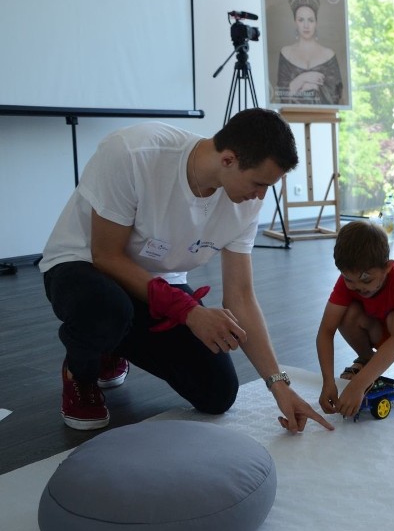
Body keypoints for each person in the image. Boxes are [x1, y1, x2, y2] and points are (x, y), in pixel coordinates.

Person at [40, 108, 334, 433]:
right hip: (82, 267)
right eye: (258, 183)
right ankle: (81, 373)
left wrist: (279, 385)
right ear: (228, 159)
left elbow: (241, 296)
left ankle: (112, 343)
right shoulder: (133, 153)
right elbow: (106, 256)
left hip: (157, 285)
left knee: (217, 394)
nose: (261, 196)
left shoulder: (246, 202)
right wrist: (189, 310)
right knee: (107, 311)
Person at [316, 220, 394, 417]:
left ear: (387, 267)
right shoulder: (348, 281)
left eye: (366, 279)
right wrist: (328, 382)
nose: (358, 286)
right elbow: (326, 331)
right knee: (347, 314)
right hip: (384, 327)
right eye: (349, 279)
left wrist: (359, 385)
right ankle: (368, 360)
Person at [276, 0, 343, 105]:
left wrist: (307, 87)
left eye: (310, 20)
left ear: (316, 22)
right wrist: (303, 79)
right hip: (291, 118)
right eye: (301, 20)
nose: (306, 25)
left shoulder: (329, 55)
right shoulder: (286, 53)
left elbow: (336, 95)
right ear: (295, 22)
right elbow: (281, 94)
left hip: (323, 118)